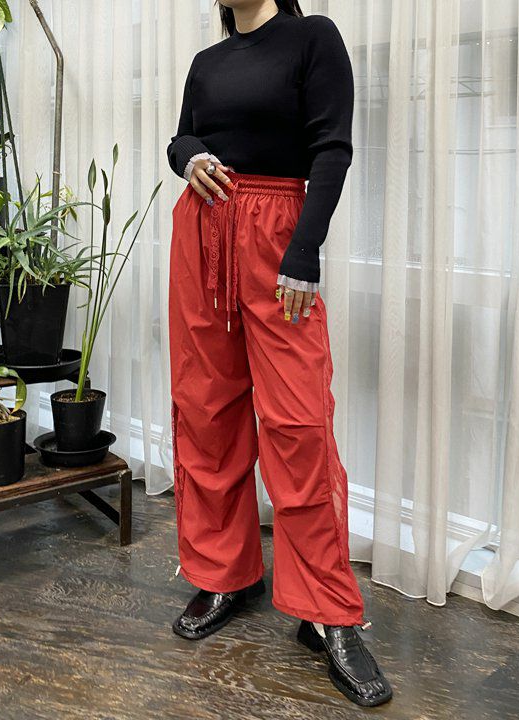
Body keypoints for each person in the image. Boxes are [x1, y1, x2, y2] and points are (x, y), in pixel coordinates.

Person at [166, 0, 392, 708]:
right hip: (202, 234)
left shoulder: (311, 37)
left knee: (299, 425)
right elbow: (183, 136)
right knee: (207, 411)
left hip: (276, 238)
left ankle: (327, 611)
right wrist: (188, 157)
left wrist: (303, 252)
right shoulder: (207, 61)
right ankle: (223, 573)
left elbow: (332, 148)